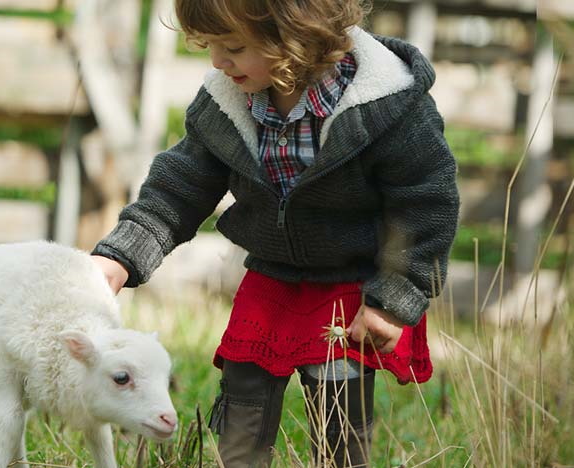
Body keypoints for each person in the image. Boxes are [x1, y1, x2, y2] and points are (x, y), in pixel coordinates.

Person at [88, 1, 460, 466]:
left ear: (295, 33)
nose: (218, 62)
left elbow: (426, 204)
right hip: (272, 277)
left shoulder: (388, 107)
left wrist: (395, 298)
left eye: (234, 47)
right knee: (245, 389)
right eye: (210, 46)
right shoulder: (228, 102)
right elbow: (179, 188)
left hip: (351, 286)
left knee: (338, 401)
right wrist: (120, 256)